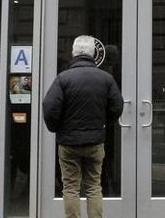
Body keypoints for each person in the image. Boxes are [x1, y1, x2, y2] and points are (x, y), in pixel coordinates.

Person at [43, 35, 123, 218]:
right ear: (93, 54)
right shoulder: (106, 78)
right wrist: (104, 124)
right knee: (94, 186)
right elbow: (117, 106)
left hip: (69, 142)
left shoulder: (63, 78)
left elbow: (49, 108)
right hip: (95, 141)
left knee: (70, 187)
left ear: (74, 53)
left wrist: (57, 128)